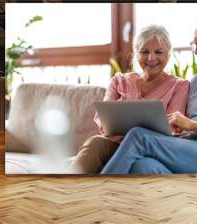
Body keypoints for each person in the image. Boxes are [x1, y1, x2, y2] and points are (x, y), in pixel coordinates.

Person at [100, 12, 197, 174]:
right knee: (143, 166)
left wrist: (191, 125)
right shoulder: (194, 83)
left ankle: (99, 194)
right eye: (195, 44)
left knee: (139, 136)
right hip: (184, 147)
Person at [70, 25, 190, 174]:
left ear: (168, 54)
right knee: (95, 143)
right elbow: (103, 117)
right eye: (144, 52)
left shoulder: (180, 85)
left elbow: (173, 127)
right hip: (115, 144)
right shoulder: (119, 80)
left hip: (149, 150)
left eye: (158, 52)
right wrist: (106, 125)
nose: (151, 58)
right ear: (136, 54)